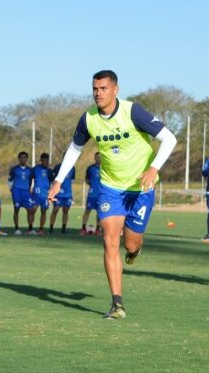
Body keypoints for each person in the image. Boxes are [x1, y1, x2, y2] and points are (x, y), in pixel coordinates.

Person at [47, 70, 177, 319]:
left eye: (103, 88)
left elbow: (169, 139)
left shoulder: (133, 112)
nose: (98, 93)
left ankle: (135, 250)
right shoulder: (89, 118)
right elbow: (74, 149)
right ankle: (117, 304)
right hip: (110, 188)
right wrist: (58, 181)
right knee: (109, 240)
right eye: (95, 89)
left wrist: (153, 169)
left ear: (115, 90)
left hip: (141, 189)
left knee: (131, 243)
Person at [8, 151, 36, 235]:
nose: (23, 159)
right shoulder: (14, 169)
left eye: (24, 158)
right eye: (21, 158)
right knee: (16, 209)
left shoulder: (30, 170)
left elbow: (30, 181)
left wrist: (30, 189)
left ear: (27, 159)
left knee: (30, 210)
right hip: (17, 191)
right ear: (19, 159)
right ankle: (16, 228)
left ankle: (30, 229)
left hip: (26, 192)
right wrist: (12, 190)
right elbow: (10, 180)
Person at [81, 152, 103, 235]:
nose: (98, 158)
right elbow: (87, 179)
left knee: (99, 212)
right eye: (97, 157)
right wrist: (92, 184)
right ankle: (83, 228)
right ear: (94, 158)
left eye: (99, 157)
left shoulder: (105, 168)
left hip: (101, 195)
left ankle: (97, 229)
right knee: (87, 210)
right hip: (92, 194)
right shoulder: (90, 168)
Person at [50, 162, 75, 234]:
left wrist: (71, 194)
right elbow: (53, 180)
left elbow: (72, 181)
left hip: (68, 194)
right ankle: (51, 228)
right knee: (55, 209)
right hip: (59, 193)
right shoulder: (57, 167)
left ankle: (63, 229)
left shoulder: (73, 168)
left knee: (66, 210)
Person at [32, 153, 54, 234]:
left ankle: (41, 229)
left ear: (48, 161)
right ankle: (30, 228)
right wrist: (30, 188)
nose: (45, 162)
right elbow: (30, 177)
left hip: (45, 195)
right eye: (43, 160)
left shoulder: (50, 171)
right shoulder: (35, 169)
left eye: (46, 160)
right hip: (37, 193)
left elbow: (52, 182)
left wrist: (51, 194)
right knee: (33, 210)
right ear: (41, 160)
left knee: (44, 211)